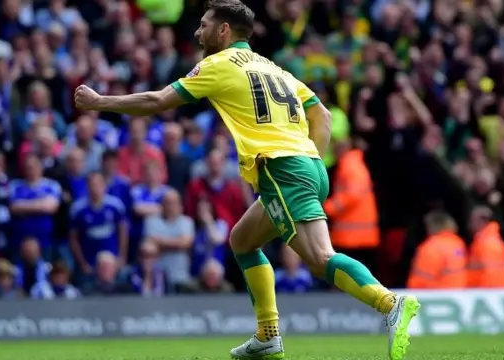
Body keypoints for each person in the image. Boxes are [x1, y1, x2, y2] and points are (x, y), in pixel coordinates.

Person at [73, 1, 420, 359]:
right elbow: (323, 114)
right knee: (242, 240)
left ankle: (389, 303)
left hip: (283, 168)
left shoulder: (217, 64)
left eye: (205, 24)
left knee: (319, 258)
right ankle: (268, 335)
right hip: (305, 165)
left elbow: (157, 100)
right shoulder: (274, 68)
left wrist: (101, 101)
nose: (197, 31)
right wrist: (309, 156)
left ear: (224, 30)